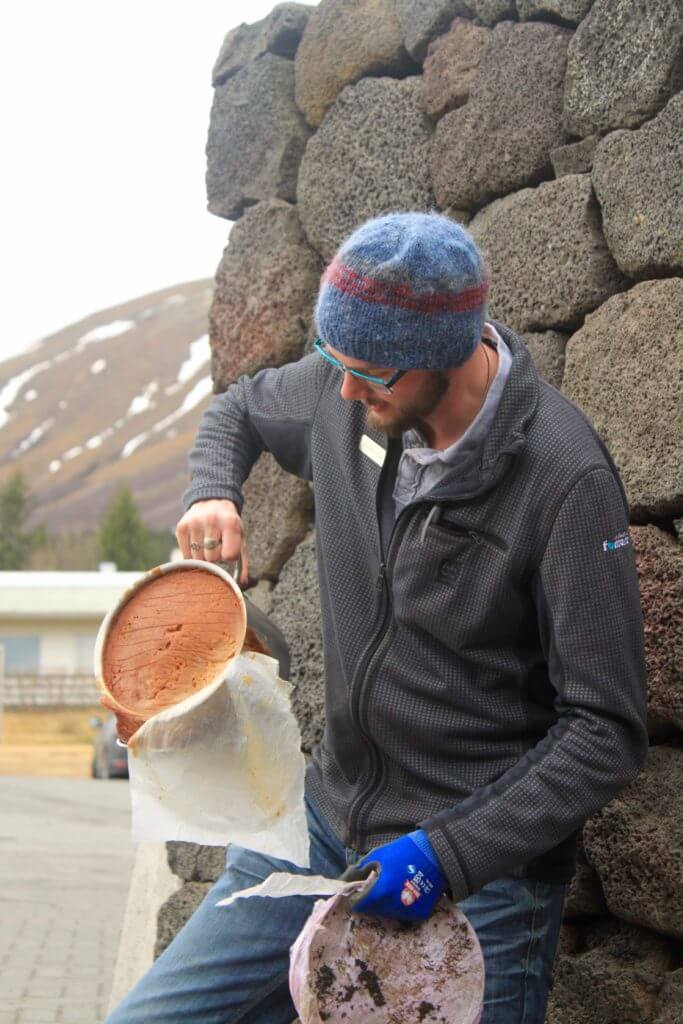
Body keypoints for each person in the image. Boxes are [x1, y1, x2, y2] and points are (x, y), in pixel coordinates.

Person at [106, 211, 648, 1024]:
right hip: (322, 820)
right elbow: (240, 410)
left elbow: (604, 729)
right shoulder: (347, 387)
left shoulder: (563, 477)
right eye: (336, 363)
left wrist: (447, 855)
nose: (346, 391)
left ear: (445, 355)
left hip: (479, 867)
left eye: (370, 373)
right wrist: (211, 489)